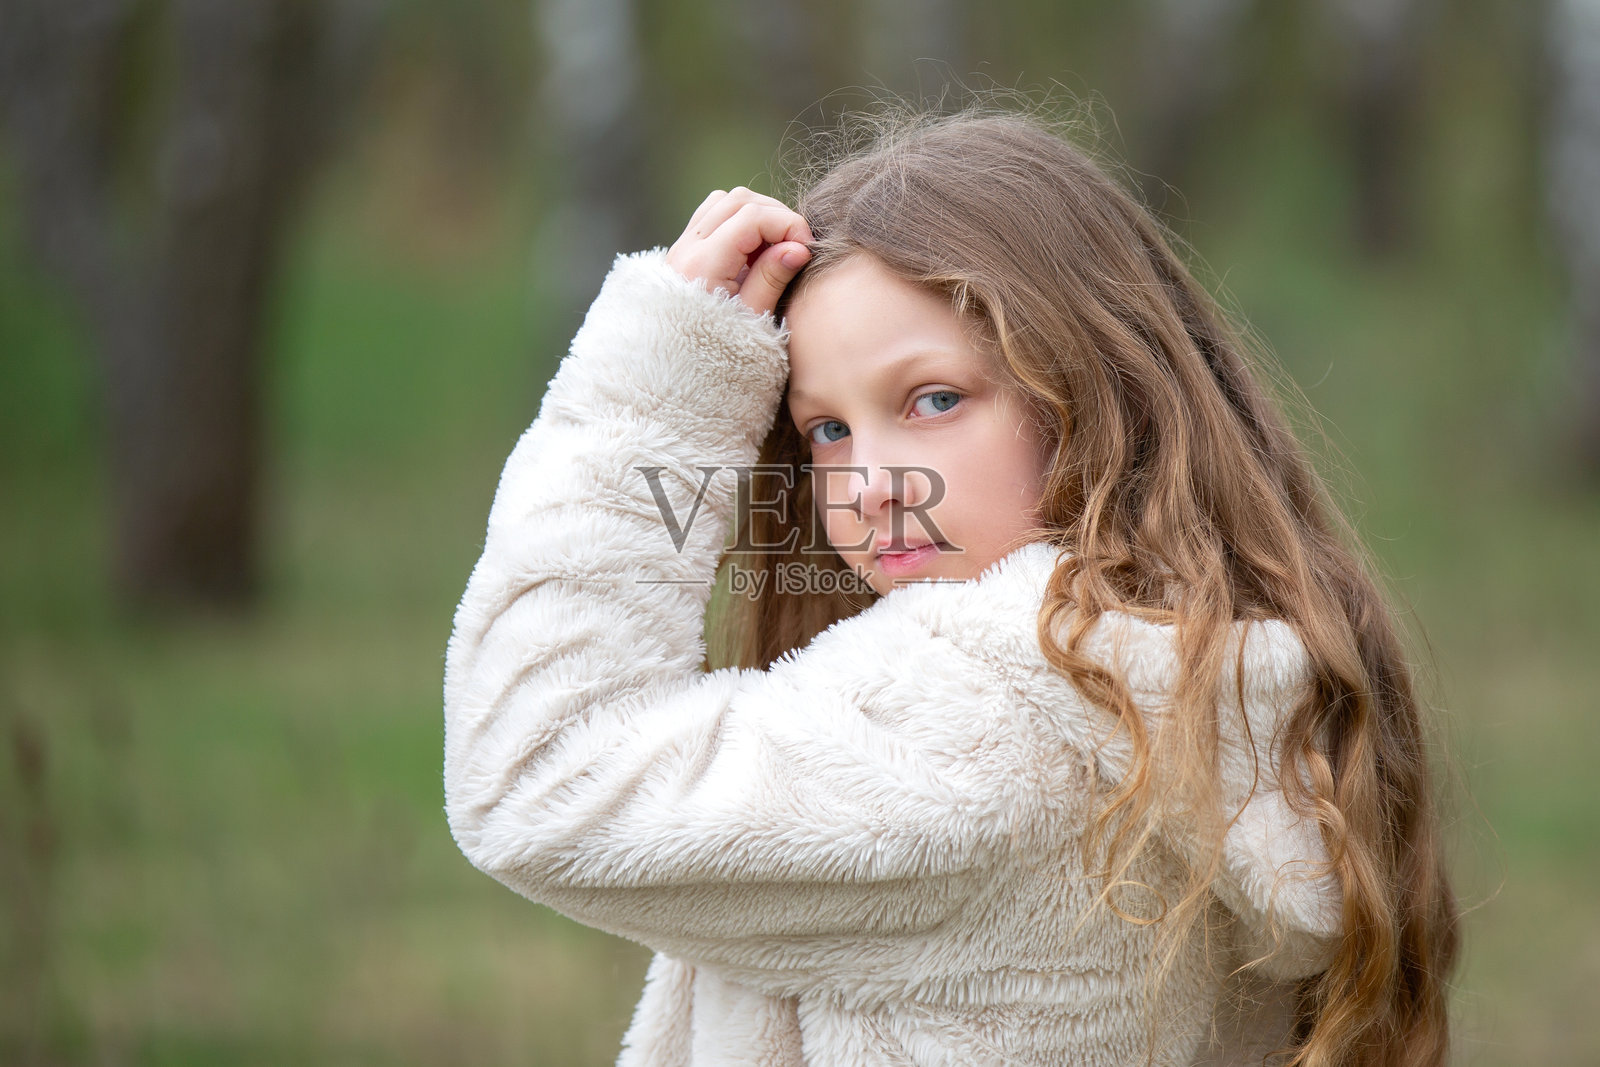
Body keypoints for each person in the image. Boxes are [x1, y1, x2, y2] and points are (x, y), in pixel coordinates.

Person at [443, 109, 1458, 1066]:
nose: (870, 486)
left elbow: (537, 773)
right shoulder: (1192, 673)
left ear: (1098, 391)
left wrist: (651, 398)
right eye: (827, 429)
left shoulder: (983, 714)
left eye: (933, 399)